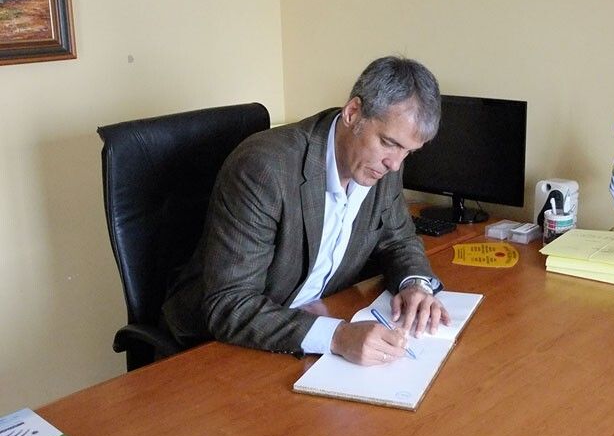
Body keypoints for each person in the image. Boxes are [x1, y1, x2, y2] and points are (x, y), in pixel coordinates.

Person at [162, 56, 450, 366]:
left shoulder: (384, 164)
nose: (395, 164)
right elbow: (230, 303)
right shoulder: (263, 169)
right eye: (388, 143)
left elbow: (399, 240)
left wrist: (414, 285)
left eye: (408, 151)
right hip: (219, 344)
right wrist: (337, 336)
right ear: (353, 113)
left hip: (312, 324)